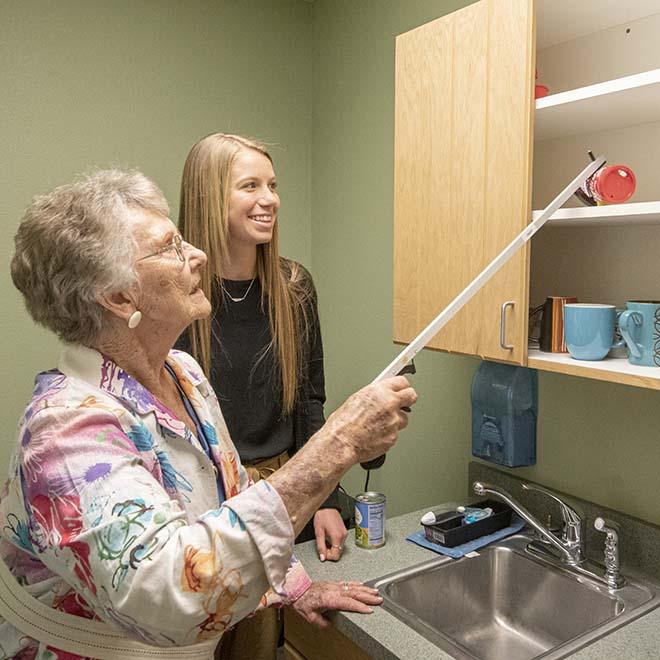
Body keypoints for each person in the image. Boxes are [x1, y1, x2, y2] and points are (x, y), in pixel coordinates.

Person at [0, 170, 417, 660]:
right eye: (171, 247)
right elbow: (174, 597)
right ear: (118, 298)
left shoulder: (183, 372)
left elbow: (234, 498)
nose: (196, 254)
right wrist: (340, 443)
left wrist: (295, 587)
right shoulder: (63, 432)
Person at [177, 133, 346, 561]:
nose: (269, 199)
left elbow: (309, 402)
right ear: (209, 196)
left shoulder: (293, 289)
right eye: (250, 186)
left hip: (287, 493)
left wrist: (325, 498)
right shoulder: (178, 296)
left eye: (272, 186)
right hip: (202, 506)